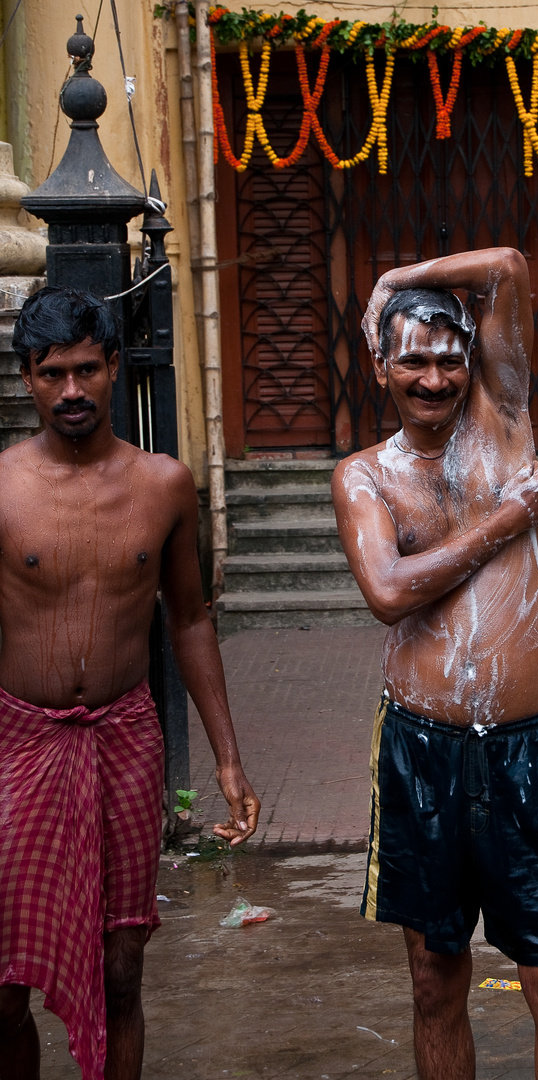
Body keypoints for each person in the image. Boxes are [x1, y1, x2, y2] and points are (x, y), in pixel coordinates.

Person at [331, 249, 538, 1080]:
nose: (435, 378)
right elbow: (387, 589)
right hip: (422, 754)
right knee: (433, 983)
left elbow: (510, 266)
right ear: (380, 366)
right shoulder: (365, 477)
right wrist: (509, 519)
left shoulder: (506, 421)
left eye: (450, 359)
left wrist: (390, 280)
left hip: (523, 754)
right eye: (413, 358)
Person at [0, 286, 260, 1080]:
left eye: (86, 369)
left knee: (122, 968)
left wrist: (226, 760)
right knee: (5, 980)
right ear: (27, 378)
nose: (71, 391)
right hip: (18, 741)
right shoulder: (1, 485)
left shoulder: (164, 486)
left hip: (125, 737)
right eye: (52, 374)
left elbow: (187, 619)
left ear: (115, 367)